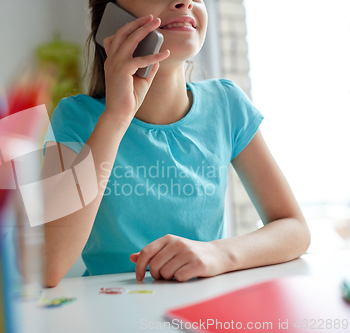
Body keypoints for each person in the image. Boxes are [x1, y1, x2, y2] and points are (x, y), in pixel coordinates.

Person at [41, 0, 310, 288]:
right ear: (111, 19)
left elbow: (295, 230)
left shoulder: (227, 104)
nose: (185, 1)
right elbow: (50, 265)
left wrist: (218, 253)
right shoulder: (74, 118)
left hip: (203, 306)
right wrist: (116, 117)